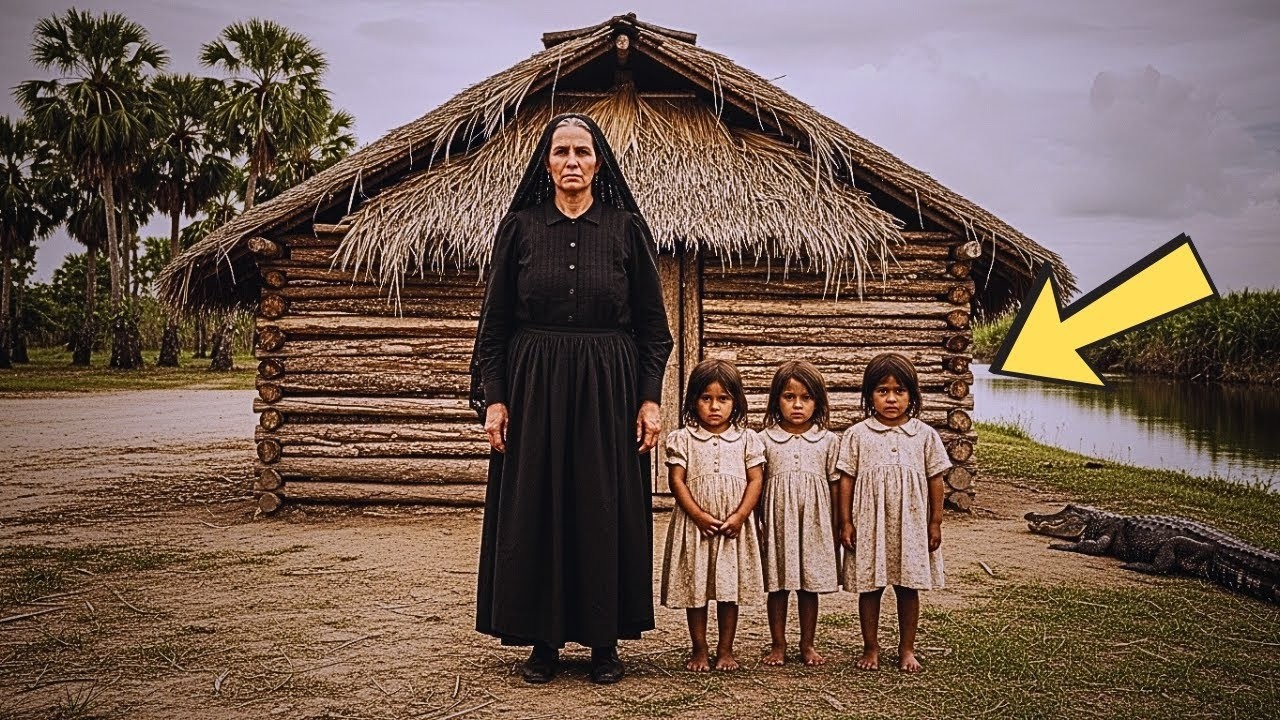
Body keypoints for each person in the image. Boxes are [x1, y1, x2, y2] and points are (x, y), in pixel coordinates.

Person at [469, 113, 674, 685]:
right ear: (546, 163)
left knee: (602, 506)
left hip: (608, 390)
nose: (572, 162)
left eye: (582, 151)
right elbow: (495, 327)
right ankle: (543, 642)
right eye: (561, 152)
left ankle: (606, 643)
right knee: (536, 505)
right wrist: (495, 399)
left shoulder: (626, 230)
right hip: (533, 388)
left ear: (599, 161)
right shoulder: (520, 229)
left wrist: (649, 400)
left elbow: (655, 332)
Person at [836, 352, 951, 672]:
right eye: (882, 391)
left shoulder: (924, 435)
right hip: (869, 524)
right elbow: (847, 479)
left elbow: (936, 480)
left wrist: (935, 522)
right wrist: (845, 521)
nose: (890, 399)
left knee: (907, 586)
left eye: (899, 391)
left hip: (910, 524)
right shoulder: (857, 434)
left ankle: (906, 649)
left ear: (912, 396)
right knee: (870, 587)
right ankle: (870, 648)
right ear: (869, 395)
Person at [659, 359, 765, 672]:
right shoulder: (683, 438)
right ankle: (700, 648)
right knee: (697, 588)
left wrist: (740, 516)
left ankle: (726, 649)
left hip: (733, 527)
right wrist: (698, 515)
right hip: (696, 527)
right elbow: (677, 480)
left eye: (723, 399)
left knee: (728, 589)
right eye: (706, 398)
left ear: (736, 402)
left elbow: (755, 479)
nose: (714, 407)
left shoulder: (747, 439)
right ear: (694, 401)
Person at [758, 360, 841, 667]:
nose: (797, 405)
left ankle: (807, 644)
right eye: (789, 397)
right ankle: (778, 644)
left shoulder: (828, 441)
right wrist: (758, 524)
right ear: (775, 400)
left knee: (809, 585)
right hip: (778, 522)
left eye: (806, 398)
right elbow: (757, 484)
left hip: (814, 524)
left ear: (817, 402)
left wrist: (836, 524)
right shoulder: (764, 440)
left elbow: (835, 486)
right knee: (778, 586)